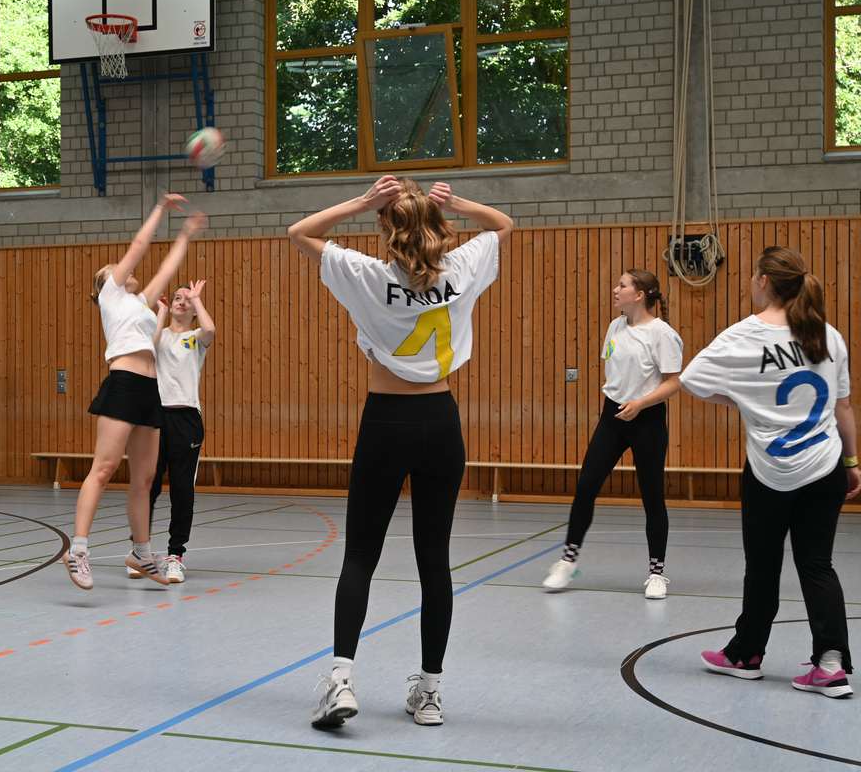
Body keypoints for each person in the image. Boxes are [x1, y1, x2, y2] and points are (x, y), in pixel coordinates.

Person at [289, 176, 513, 729]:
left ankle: (341, 682)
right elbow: (503, 225)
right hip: (442, 425)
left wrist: (364, 201)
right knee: (433, 562)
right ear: (436, 229)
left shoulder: (368, 275)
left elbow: (300, 232)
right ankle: (430, 693)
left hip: (386, 422)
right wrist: (455, 203)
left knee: (360, 556)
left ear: (385, 229)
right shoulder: (460, 269)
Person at [681, 245, 859, 698]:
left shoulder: (742, 336)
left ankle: (746, 655)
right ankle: (831, 664)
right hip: (825, 467)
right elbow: (843, 406)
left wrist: (742, 398)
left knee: (762, 566)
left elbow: (692, 380)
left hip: (769, 472)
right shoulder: (827, 335)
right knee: (818, 565)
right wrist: (852, 463)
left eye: (751, 275)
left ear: (763, 281)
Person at [63, 195, 206, 591]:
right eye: (116, 268)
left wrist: (185, 234)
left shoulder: (142, 306)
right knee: (104, 468)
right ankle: (78, 549)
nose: (126, 268)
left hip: (150, 391)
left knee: (143, 479)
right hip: (124, 385)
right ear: (106, 280)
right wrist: (160, 209)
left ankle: (142, 554)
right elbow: (139, 247)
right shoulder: (111, 295)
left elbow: (167, 268)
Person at [541, 270, 684, 598]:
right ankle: (568, 560)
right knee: (587, 483)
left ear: (640, 294)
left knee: (652, 496)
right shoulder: (615, 326)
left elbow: (674, 382)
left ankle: (657, 573)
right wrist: (622, 402)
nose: (615, 289)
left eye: (622, 285)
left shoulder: (662, 333)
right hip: (613, 417)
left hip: (646, 419)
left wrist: (641, 402)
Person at [129, 280, 216, 584]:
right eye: (178, 297)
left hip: (187, 419)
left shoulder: (195, 338)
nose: (182, 301)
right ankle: (140, 553)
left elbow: (211, 330)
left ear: (193, 310)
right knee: (147, 486)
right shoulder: (161, 333)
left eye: (186, 300)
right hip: (155, 417)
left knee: (182, 492)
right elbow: (148, 346)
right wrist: (161, 311)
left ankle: (175, 556)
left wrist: (198, 299)